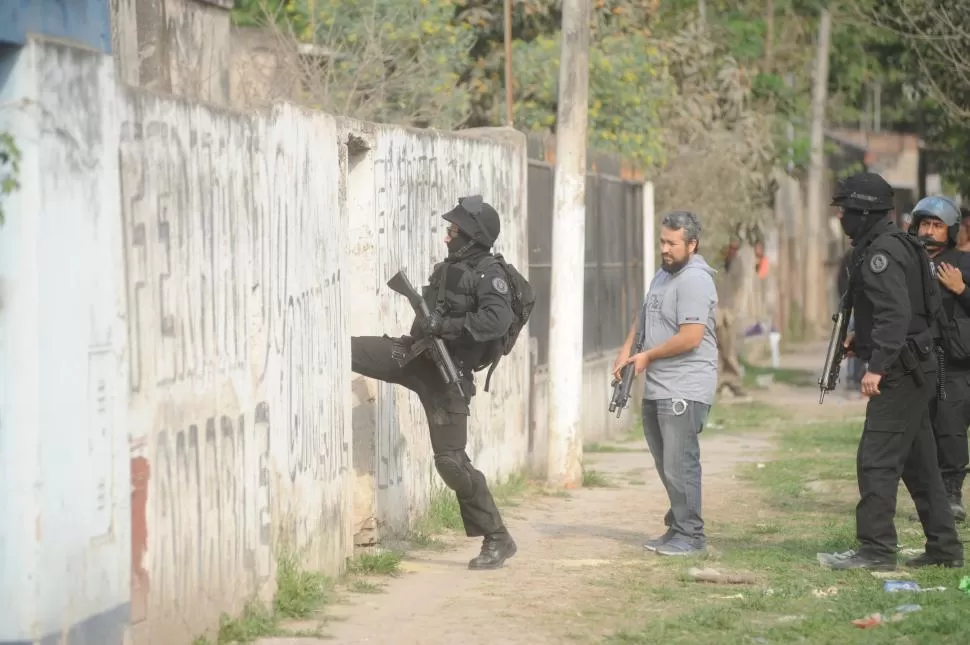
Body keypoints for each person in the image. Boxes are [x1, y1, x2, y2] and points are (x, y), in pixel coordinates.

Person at [351, 195, 518, 570]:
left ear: (473, 237)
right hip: (417, 356)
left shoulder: (491, 275)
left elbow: (496, 321)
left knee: (451, 463)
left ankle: (498, 537)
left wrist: (445, 326)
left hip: (449, 374)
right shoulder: (450, 267)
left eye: (453, 231)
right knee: (344, 351)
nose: (447, 237)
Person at [830, 172, 963, 570]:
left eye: (847, 211)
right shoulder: (900, 243)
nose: (842, 218)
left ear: (865, 212)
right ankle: (944, 548)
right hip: (914, 364)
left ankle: (876, 549)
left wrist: (877, 366)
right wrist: (864, 341)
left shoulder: (880, 253)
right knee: (920, 466)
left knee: (876, 459)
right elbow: (914, 311)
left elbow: (895, 313)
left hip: (900, 371)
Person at [613, 210, 718, 557]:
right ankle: (677, 528)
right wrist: (627, 351)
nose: (665, 248)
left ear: (692, 244)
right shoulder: (663, 275)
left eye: (673, 243)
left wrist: (649, 356)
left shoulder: (695, 280)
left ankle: (692, 536)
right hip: (659, 385)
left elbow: (691, 337)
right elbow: (645, 316)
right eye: (663, 241)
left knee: (680, 462)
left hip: (685, 388)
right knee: (666, 463)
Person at [909, 195, 969, 522]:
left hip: (953, 364)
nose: (929, 231)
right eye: (925, 223)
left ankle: (952, 494)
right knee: (921, 431)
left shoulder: (963, 263)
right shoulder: (906, 260)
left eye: (938, 225)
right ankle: (930, 498)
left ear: (951, 231)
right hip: (915, 359)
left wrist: (962, 290)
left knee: (950, 429)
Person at [714, 238, 749, 400]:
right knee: (714, 350)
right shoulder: (715, 263)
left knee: (729, 350)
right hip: (714, 309)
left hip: (728, 311)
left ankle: (732, 381)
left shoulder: (737, 263)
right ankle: (717, 383)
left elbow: (739, 288)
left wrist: (733, 311)